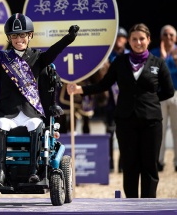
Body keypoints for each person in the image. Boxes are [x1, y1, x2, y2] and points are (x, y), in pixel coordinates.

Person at [0, 13, 79, 186]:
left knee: (36, 125)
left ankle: (33, 171)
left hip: (31, 112)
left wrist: (69, 38)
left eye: (22, 34)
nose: (18, 39)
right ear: (9, 37)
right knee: (0, 125)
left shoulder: (38, 57)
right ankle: (0, 173)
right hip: (8, 113)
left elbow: (54, 51)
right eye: (14, 35)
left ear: (30, 36)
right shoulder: (2, 58)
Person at [67, 23, 174, 198]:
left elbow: (169, 91)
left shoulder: (158, 63)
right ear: (129, 41)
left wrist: (151, 101)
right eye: (134, 39)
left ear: (148, 40)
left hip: (151, 121)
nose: (138, 42)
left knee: (149, 165)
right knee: (129, 164)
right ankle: (131, 204)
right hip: (125, 120)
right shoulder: (120, 62)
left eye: (141, 39)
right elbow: (104, 84)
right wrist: (81, 90)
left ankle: (148, 204)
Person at [150, 25, 177, 172]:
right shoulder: (154, 53)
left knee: (176, 129)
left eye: (171, 35)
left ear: (175, 37)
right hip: (159, 95)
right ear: (161, 37)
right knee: (159, 129)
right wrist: (162, 58)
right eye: (165, 35)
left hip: (176, 93)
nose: (168, 38)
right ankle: (159, 161)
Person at [105, 26, 130, 173]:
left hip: (125, 100)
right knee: (109, 133)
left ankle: (122, 163)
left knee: (125, 134)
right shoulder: (107, 56)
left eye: (121, 37)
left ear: (125, 40)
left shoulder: (130, 55)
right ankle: (109, 163)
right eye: (116, 37)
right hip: (110, 101)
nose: (118, 40)